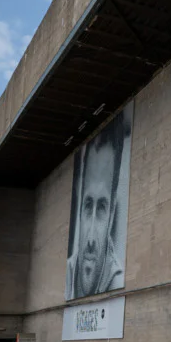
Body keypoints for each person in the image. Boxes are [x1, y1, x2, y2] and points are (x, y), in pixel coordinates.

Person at [66, 121, 127, 299]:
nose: (91, 240)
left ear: (112, 213)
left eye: (101, 208)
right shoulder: (68, 273)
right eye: (87, 205)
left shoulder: (117, 282)